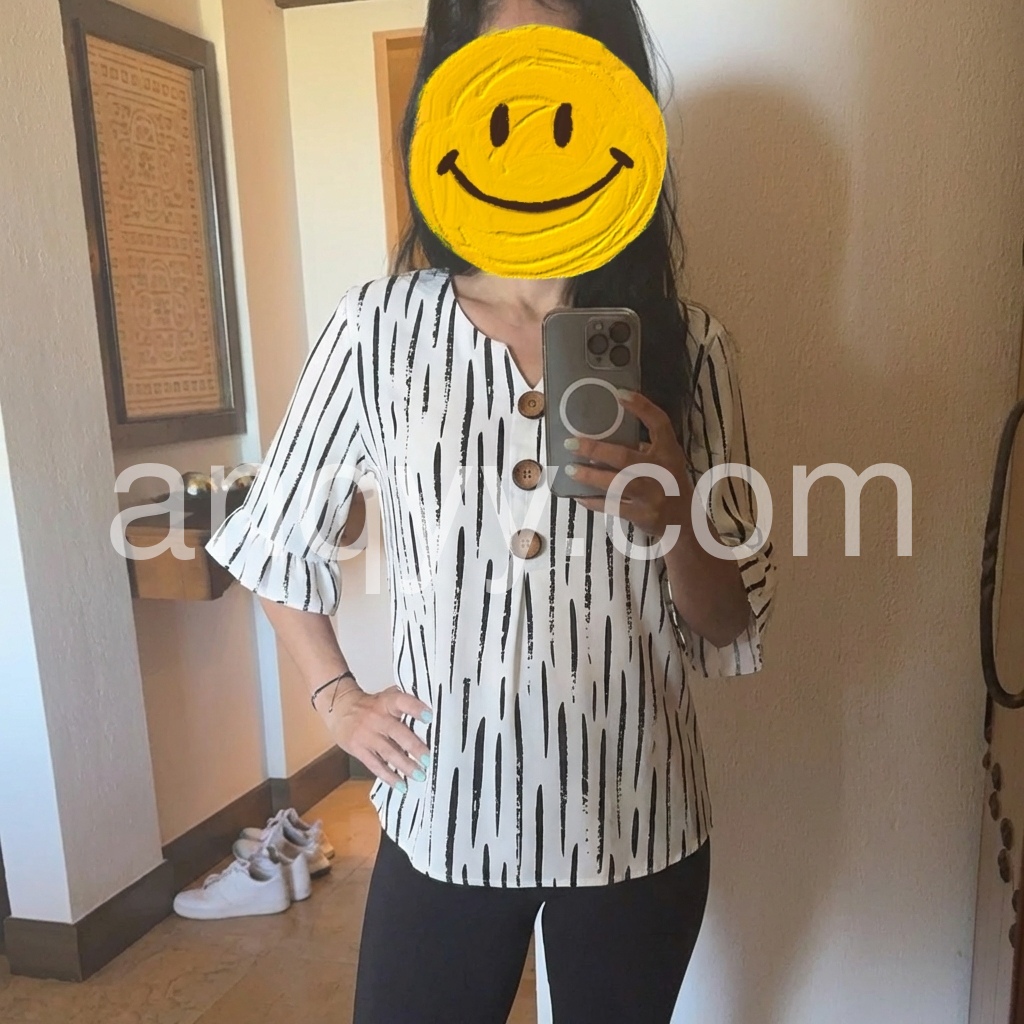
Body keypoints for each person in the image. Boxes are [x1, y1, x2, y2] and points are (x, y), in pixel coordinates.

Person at [206, 0, 777, 1020]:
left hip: (636, 817)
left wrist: (677, 513)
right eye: (503, 71)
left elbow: (731, 622)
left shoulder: (688, 345)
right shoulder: (379, 329)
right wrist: (337, 698)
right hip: (446, 812)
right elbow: (276, 539)